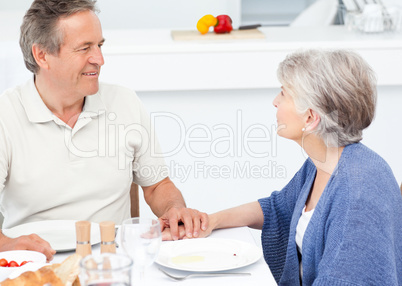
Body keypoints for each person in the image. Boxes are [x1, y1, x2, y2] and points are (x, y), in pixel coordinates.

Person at [164, 50, 402, 285]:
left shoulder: (358, 190)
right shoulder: (323, 163)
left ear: (310, 117)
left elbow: (346, 280)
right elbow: (278, 209)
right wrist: (209, 221)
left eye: (284, 94)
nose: (275, 102)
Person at [0, 0, 207, 261]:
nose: (99, 59)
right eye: (84, 48)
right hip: (33, 261)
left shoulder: (125, 102)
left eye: (99, 45)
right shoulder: (5, 116)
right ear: (42, 55)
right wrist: (6, 243)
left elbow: (157, 186)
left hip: (113, 258)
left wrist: (175, 208)